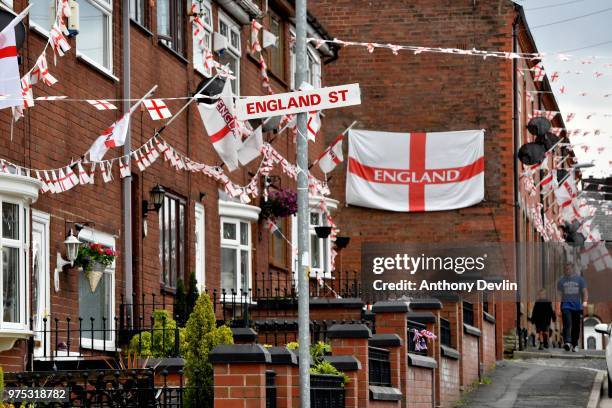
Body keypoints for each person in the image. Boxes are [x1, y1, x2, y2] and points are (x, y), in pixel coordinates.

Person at [557, 262, 588, 352]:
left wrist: (585, 302)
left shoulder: (580, 280)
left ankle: (575, 344)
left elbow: (585, 291)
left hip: (577, 307)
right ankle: (567, 342)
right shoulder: (561, 281)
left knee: (576, 326)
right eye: (565, 269)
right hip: (566, 306)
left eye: (568, 269)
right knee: (567, 323)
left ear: (573, 269)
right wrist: (558, 307)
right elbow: (559, 295)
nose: (567, 271)